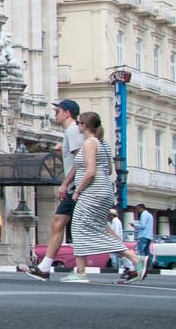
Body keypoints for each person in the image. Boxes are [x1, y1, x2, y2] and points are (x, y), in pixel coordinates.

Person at [60, 112, 147, 283]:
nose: (76, 125)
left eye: (79, 122)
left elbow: (91, 171)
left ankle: (135, 259)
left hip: (93, 191)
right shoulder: (102, 143)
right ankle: (80, 271)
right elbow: (108, 170)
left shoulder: (89, 143)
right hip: (103, 190)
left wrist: (78, 190)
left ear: (85, 125)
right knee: (88, 228)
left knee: (78, 228)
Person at [21, 99, 84, 280]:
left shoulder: (72, 131)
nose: (56, 114)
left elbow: (80, 161)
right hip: (76, 186)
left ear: (67, 113)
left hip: (76, 187)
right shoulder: (70, 133)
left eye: (58, 111)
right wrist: (61, 150)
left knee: (97, 227)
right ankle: (45, 267)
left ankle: (132, 261)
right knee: (58, 223)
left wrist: (65, 184)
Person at [108, 208, 134, 276]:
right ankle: (128, 267)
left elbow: (116, 232)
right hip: (115, 240)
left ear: (111, 215)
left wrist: (113, 240)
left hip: (116, 241)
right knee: (120, 255)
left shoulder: (116, 222)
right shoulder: (111, 222)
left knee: (122, 254)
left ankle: (130, 267)